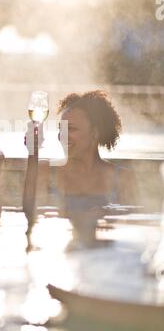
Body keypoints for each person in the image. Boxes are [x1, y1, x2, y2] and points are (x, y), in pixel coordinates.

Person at [24, 90, 138, 245]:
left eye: (71, 129)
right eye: (60, 129)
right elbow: (28, 212)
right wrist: (33, 152)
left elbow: (132, 230)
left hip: (105, 253)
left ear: (95, 133)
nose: (62, 136)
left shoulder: (122, 178)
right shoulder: (46, 172)